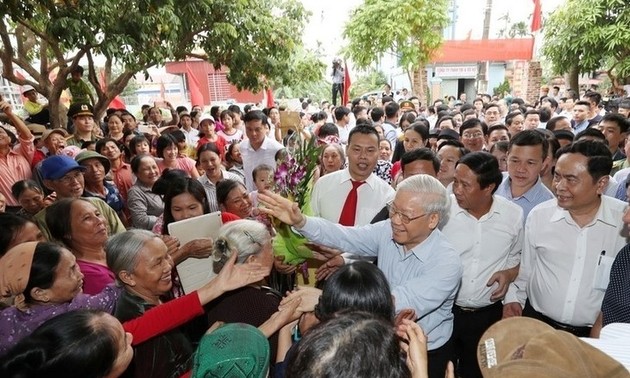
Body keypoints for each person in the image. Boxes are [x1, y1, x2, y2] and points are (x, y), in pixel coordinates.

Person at [259, 174, 463, 378]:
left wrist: (326, 300)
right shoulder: (388, 230)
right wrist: (301, 222)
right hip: (381, 341)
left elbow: (390, 304)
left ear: (433, 219)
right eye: (393, 209)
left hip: (425, 352)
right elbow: (345, 236)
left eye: (406, 216)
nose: (395, 220)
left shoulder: (446, 263)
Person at [0, 240, 273, 373]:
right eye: (122, 343)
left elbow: (148, 323)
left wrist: (215, 288)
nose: (130, 335)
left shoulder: (88, 340)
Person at [504, 140, 628, 337]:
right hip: (538, 326)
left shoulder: (623, 223)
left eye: (571, 179)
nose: (559, 186)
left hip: (594, 337)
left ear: (601, 183)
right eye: (557, 176)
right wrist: (513, 300)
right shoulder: (540, 215)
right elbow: (526, 269)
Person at [441, 152, 523, 378]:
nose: (456, 189)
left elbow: (515, 258)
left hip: (488, 318)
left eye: (465, 185)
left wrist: (510, 287)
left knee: (484, 370)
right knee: (439, 369)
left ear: (488, 188)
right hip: (444, 314)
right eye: (455, 181)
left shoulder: (512, 216)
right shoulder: (442, 212)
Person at [206, 220, 280, 363]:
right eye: (270, 247)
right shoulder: (265, 305)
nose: (274, 253)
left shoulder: (213, 297)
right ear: (252, 260)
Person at [34, 155, 126, 240]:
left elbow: (123, 239)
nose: (75, 182)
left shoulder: (99, 204)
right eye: (66, 178)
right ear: (49, 184)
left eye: (77, 175)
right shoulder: (42, 220)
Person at [46, 198, 115, 294]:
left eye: (98, 214)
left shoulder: (114, 251)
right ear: (67, 232)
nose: (99, 221)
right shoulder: (85, 275)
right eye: (87, 218)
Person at [494, 130, 554, 221]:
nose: (521, 169)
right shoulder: (492, 184)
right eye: (515, 161)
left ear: (544, 163)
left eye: (530, 163)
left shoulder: (549, 205)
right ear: (507, 157)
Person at [0, 100, 35, 211]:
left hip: (35, 205)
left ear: (10, 138)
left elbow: (27, 136)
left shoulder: (21, 152)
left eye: (1, 132)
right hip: (10, 211)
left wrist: (10, 114)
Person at [240, 111, 284, 191]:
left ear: (266, 127)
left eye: (257, 129)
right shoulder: (242, 147)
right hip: (251, 197)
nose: (253, 134)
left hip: (271, 198)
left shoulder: (277, 149)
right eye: (249, 129)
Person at [75, 150, 125, 219]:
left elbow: (121, 213)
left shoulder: (112, 188)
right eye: (87, 167)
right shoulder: (82, 197)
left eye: (97, 165)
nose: (95, 170)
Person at [197, 143, 243, 212]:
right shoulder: (198, 185)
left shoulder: (235, 179)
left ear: (220, 158)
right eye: (204, 161)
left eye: (212, 159)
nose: (209, 164)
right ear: (200, 163)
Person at [127, 155, 163, 230]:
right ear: (137, 173)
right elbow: (140, 221)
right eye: (146, 169)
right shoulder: (135, 192)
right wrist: (165, 220)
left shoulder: (165, 184)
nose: (152, 172)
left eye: (154, 167)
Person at [95, 138, 133, 203]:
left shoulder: (132, 168)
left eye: (113, 147)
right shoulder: (101, 175)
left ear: (119, 149)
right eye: (105, 149)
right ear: (99, 154)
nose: (110, 150)